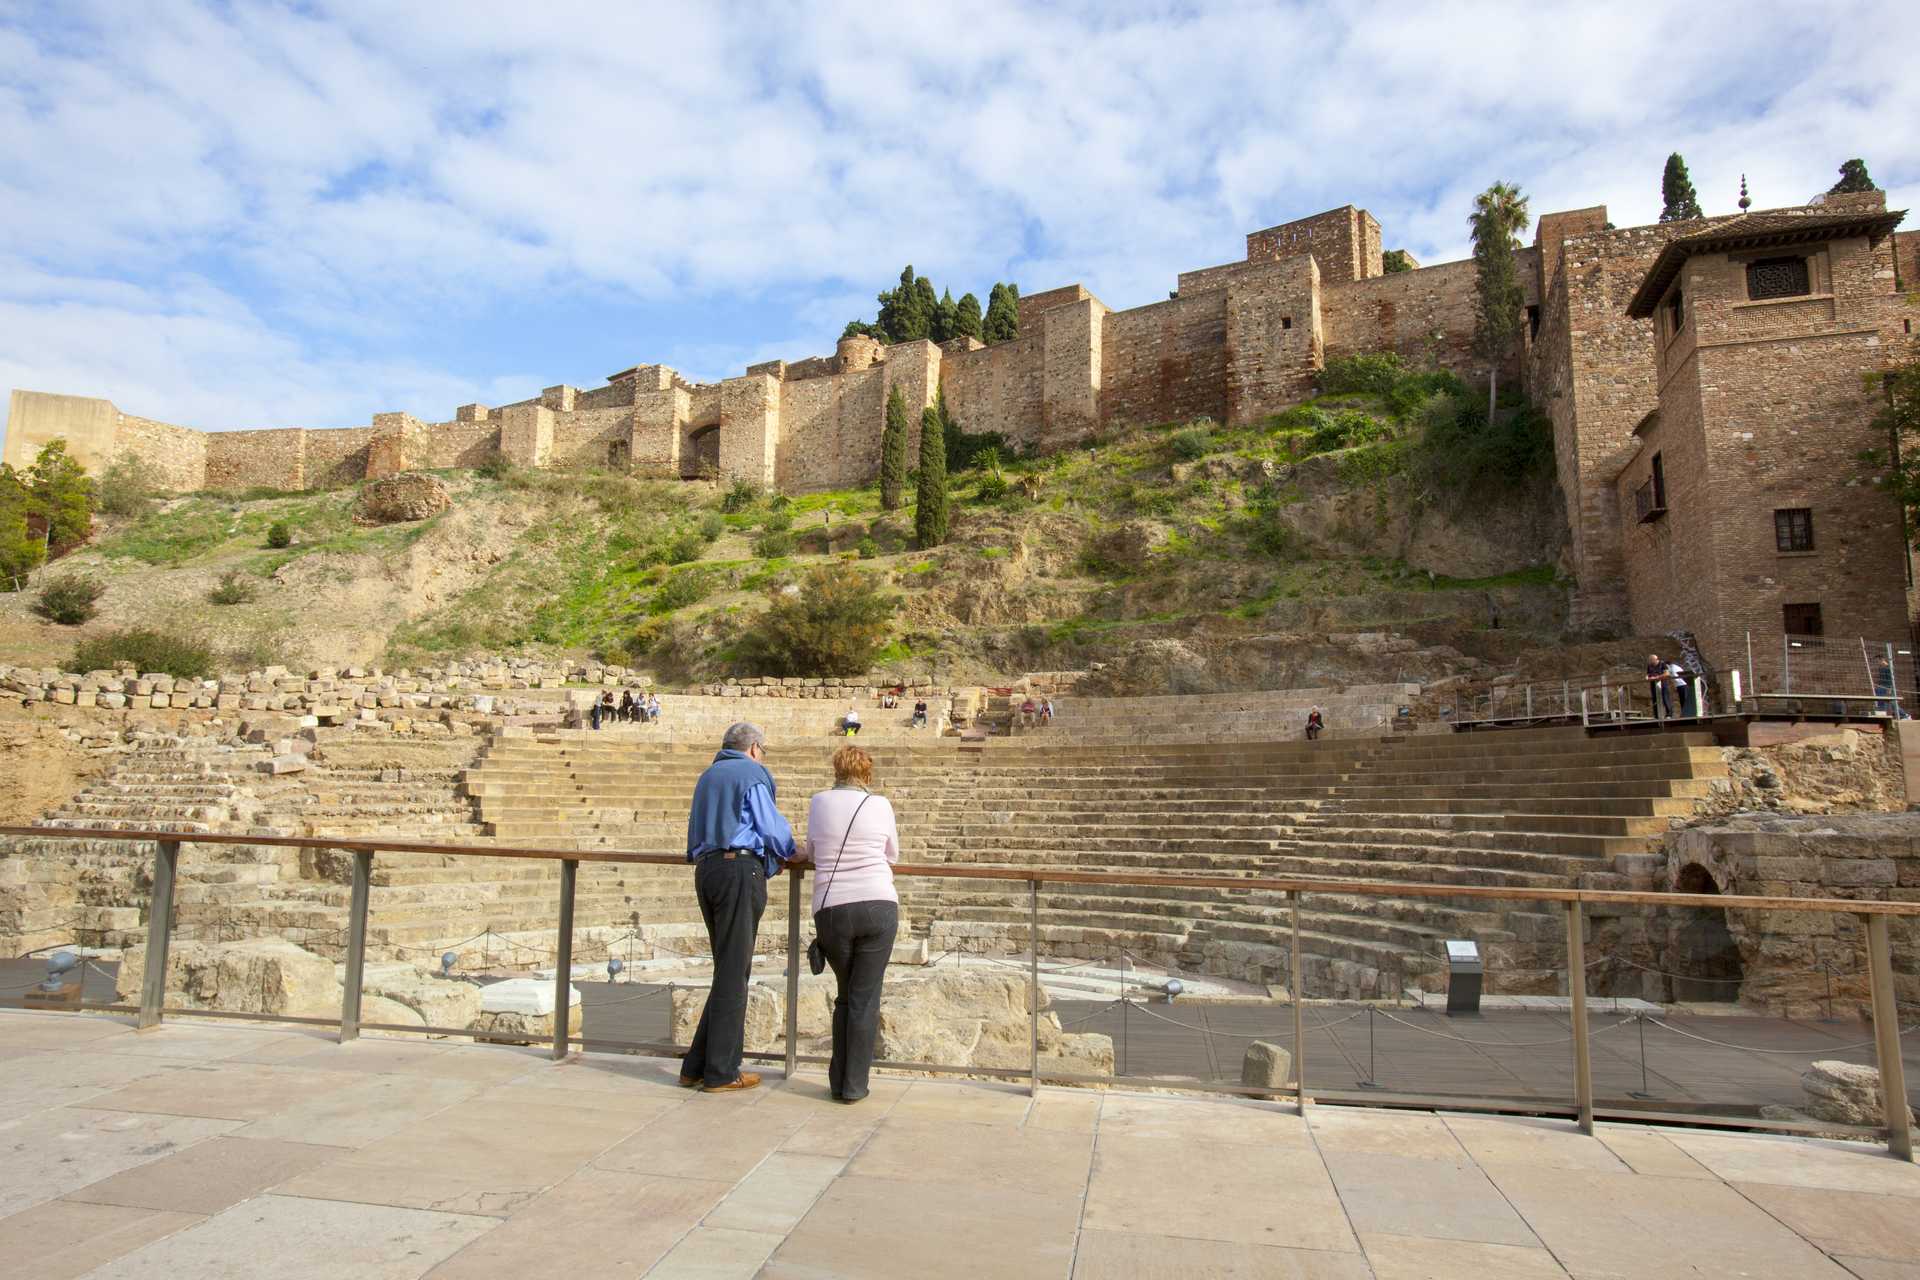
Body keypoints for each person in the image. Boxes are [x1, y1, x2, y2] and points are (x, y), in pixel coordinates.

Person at [680, 722, 795, 1092]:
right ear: (755, 748)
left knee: (726, 969)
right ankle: (722, 1072)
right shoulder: (752, 773)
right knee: (734, 972)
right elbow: (770, 827)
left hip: (708, 870)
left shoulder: (708, 775)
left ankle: (695, 1066)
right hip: (738, 871)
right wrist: (794, 851)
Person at [797, 744, 900, 1103]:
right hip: (877, 904)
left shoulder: (819, 802)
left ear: (836, 770)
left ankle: (838, 1081)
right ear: (867, 773)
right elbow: (892, 853)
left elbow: (811, 850)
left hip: (832, 907)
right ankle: (854, 1085)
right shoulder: (880, 804)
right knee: (864, 998)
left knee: (846, 996)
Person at [1646, 654, 1673, 720]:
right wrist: (1647, 678)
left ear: (1655, 659)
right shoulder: (1649, 666)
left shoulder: (1662, 664)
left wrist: (1657, 677)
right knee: (1655, 699)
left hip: (1662, 683)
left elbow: (1667, 673)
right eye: (1649, 660)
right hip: (1653, 684)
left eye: (1651, 660)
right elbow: (1648, 674)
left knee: (1665, 698)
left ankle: (1669, 714)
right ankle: (1656, 715)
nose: (1650, 662)